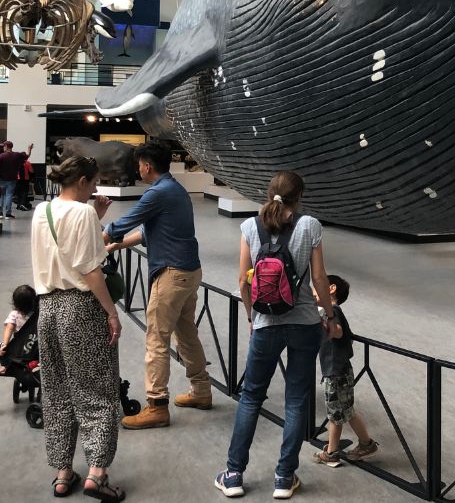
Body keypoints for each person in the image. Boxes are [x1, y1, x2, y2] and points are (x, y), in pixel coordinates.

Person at [215, 171, 340, 500]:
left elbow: (243, 281)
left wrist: (250, 316)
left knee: (252, 397)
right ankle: (284, 478)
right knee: (297, 399)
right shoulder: (310, 225)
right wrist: (327, 315)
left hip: (265, 323)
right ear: (300, 196)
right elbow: (319, 277)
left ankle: (233, 474)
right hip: (304, 324)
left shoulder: (249, 226)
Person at [31, 156, 125, 501]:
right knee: (97, 390)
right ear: (83, 180)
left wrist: (94, 216)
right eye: (94, 182)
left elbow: (62, 249)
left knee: (57, 391)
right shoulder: (82, 213)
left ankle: (62, 471)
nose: (96, 188)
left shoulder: (43, 211)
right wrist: (111, 313)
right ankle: (97, 473)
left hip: (48, 308)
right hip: (80, 308)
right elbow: (89, 268)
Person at [103, 141, 210, 429]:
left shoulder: (157, 193)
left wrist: (97, 238)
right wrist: (115, 247)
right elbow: (147, 232)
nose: (138, 169)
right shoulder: (175, 190)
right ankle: (202, 392)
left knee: (156, 339)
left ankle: (157, 405)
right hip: (189, 272)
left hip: (171, 275)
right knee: (186, 334)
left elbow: (123, 223)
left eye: (139, 164)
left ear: (147, 165)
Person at [314, 274, 378, 468]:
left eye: (317, 288)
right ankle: (366, 444)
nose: (314, 291)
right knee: (346, 411)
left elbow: (338, 331)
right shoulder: (327, 311)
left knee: (335, 413)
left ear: (331, 289)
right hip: (340, 369)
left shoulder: (332, 311)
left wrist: (322, 322)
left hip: (335, 371)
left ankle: (332, 453)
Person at [0, 284, 37, 374]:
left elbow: (9, 329)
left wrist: (4, 345)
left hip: (19, 348)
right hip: (35, 347)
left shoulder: (14, 314)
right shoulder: (37, 314)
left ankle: (3, 365)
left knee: (1, 347)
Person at [0, 140, 34, 218]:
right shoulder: (17, 155)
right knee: (9, 195)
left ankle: (0, 213)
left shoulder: (1, 156)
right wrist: (29, 149)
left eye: (4, 146)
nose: (3, 148)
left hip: (2, 179)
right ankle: (8, 214)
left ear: (6, 147)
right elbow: (27, 155)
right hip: (12, 179)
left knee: (2, 196)